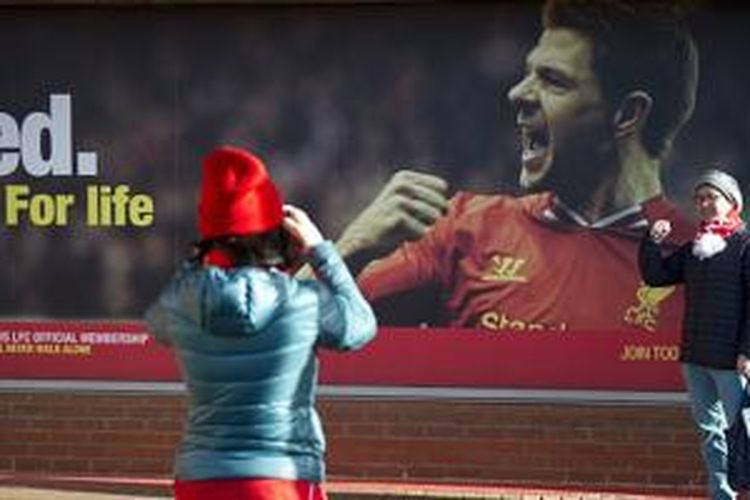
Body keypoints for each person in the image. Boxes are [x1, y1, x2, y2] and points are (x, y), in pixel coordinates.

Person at [333, 0, 699, 332]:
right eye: (529, 74)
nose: (518, 93)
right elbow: (287, 337)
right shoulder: (463, 230)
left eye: (554, 81)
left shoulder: (707, 271)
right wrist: (351, 249)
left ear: (627, 114)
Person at [145, 146, 377, 500]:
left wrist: (208, 253)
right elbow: (361, 326)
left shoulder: (184, 300)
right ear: (276, 234)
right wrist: (319, 251)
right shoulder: (304, 300)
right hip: (283, 479)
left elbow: (157, 324)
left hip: (200, 478)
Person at [639, 168, 750, 500]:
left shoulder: (745, 244)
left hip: (732, 360)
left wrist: (747, 351)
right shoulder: (695, 247)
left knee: (742, 431)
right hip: (695, 358)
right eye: (699, 198)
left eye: (711, 197)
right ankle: (721, 493)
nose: (703, 204)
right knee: (710, 432)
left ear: (732, 203)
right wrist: (651, 242)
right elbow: (657, 276)